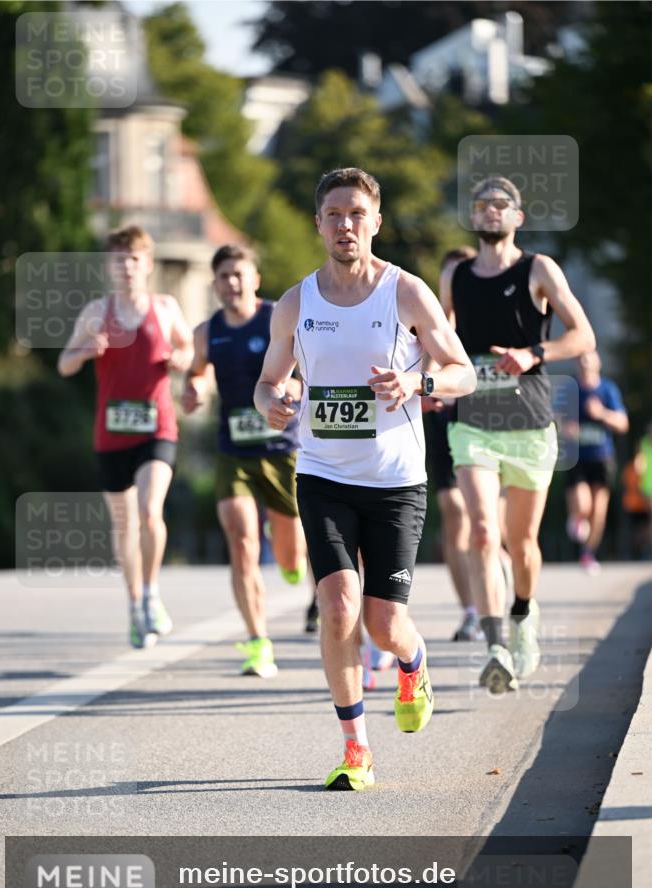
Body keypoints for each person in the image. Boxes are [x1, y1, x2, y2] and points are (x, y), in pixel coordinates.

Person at [254, 167, 476, 790]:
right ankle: (357, 748)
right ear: (318, 223)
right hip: (323, 474)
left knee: (383, 623)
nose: (345, 225)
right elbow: (268, 380)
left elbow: (465, 372)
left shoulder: (405, 293)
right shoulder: (295, 302)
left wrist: (417, 382)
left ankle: (413, 660)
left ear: (375, 222)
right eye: (334, 214)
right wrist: (269, 400)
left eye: (357, 214)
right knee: (338, 606)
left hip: (395, 482)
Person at [441, 176, 596, 694]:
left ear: (517, 217)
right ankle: (495, 645)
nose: (489, 212)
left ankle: (524, 612)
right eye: (481, 205)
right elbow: (440, 337)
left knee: (521, 541)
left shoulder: (538, 269)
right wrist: (427, 382)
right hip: (472, 423)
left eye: (500, 205)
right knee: (483, 531)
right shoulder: (457, 274)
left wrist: (533, 354)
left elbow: (582, 334)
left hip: (528, 422)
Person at [58, 225, 193, 648]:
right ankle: (135, 603)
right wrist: (83, 351)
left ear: (147, 265)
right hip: (111, 433)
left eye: (135, 259)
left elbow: (189, 349)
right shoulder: (97, 312)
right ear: (110, 267)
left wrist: (179, 358)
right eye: (120, 260)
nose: (128, 267)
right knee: (125, 525)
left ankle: (151, 594)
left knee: (149, 510)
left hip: (157, 428)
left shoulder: (166, 307)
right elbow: (63, 363)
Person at [181, 245, 311, 678]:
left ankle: (291, 557)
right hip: (232, 451)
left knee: (292, 554)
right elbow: (196, 371)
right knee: (241, 543)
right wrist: (195, 387)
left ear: (255, 278)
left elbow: (309, 367)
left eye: (239, 274)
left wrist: (293, 386)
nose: (232, 283)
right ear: (215, 284)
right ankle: (258, 642)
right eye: (223, 276)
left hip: (281, 449)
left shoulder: (279, 316)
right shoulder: (207, 332)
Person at [424, 246, 483, 642]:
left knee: (483, 526)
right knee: (454, 513)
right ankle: (471, 611)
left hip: (484, 426)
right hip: (442, 428)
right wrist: (426, 388)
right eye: (448, 275)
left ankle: (502, 601)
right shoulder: (426, 317)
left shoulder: (485, 320)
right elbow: (419, 369)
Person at [564, 350, 629, 572]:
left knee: (598, 511)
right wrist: (565, 428)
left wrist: (601, 413)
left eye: (588, 359)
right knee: (583, 505)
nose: (584, 363)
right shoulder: (570, 389)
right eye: (580, 359)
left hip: (602, 457)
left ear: (598, 363)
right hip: (577, 458)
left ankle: (588, 553)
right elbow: (554, 418)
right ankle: (576, 519)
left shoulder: (608, 389)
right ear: (575, 364)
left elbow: (622, 423)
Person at [622, 441, 651, 560]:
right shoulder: (631, 468)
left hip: (642, 504)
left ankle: (643, 551)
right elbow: (628, 484)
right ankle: (637, 552)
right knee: (636, 531)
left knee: (643, 529)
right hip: (633, 505)